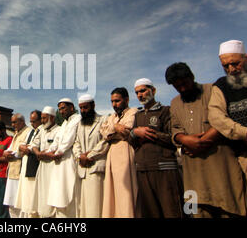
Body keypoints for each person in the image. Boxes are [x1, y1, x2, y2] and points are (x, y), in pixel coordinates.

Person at [166, 62, 247, 218]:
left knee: (229, 206)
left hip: (220, 164)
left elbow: (226, 118)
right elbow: (175, 128)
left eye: (184, 83)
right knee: (195, 209)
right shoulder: (175, 102)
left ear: (192, 77)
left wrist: (202, 142)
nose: (182, 89)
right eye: (177, 87)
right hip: (192, 170)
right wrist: (184, 139)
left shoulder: (213, 90)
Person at [208, 40, 247, 218]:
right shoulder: (221, 86)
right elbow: (216, 117)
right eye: (226, 66)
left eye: (235, 63)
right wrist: (246, 134)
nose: (231, 69)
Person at [129, 78, 184, 218]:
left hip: (164, 168)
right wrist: (135, 132)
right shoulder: (138, 115)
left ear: (153, 90)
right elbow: (130, 139)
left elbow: (173, 137)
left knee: (171, 210)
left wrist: (148, 133)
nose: (140, 95)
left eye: (143, 90)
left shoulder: (165, 111)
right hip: (142, 169)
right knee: (150, 212)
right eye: (137, 92)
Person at [100, 87, 139, 218]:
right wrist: (116, 127)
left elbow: (127, 130)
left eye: (117, 101)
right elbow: (103, 132)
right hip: (112, 155)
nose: (114, 104)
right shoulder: (112, 117)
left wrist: (113, 130)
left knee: (125, 192)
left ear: (126, 100)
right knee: (112, 193)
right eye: (112, 101)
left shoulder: (133, 112)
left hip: (126, 153)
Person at [46, 98, 81, 218]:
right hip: (58, 161)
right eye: (59, 109)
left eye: (63, 108)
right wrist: (49, 151)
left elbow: (68, 140)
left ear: (71, 108)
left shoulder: (77, 119)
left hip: (69, 159)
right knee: (58, 193)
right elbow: (57, 140)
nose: (61, 111)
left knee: (69, 193)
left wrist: (58, 152)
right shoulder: (64, 123)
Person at [72, 94, 107, 218]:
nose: (83, 111)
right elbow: (76, 143)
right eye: (81, 108)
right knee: (83, 208)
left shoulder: (103, 120)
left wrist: (90, 155)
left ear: (93, 105)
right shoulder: (80, 124)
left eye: (85, 108)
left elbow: (105, 141)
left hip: (96, 167)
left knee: (96, 206)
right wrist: (79, 156)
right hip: (82, 169)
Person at [30, 106, 59, 218]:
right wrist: (37, 153)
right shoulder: (42, 130)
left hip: (53, 168)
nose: (42, 121)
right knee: (41, 195)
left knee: (51, 194)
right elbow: (34, 144)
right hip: (42, 167)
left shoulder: (59, 130)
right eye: (41, 118)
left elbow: (56, 148)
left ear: (52, 118)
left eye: (44, 118)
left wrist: (44, 154)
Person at [3, 113, 31, 218]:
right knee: (11, 202)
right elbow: (10, 148)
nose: (13, 124)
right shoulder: (16, 133)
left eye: (15, 122)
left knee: (19, 202)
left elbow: (24, 150)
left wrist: (13, 154)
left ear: (22, 122)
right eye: (12, 122)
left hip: (20, 171)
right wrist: (6, 153)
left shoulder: (28, 132)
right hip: (11, 171)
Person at [15, 110, 42, 218]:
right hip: (25, 167)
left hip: (34, 168)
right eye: (31, 121)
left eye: (34, 121)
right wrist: (22, 147)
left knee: (34, 200)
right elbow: (22, 145)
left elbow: (37, 146)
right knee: (26, 199)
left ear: (40, 120)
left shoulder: (42, 131)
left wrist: (28, 148)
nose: (32, 124)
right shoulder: (31, 132)